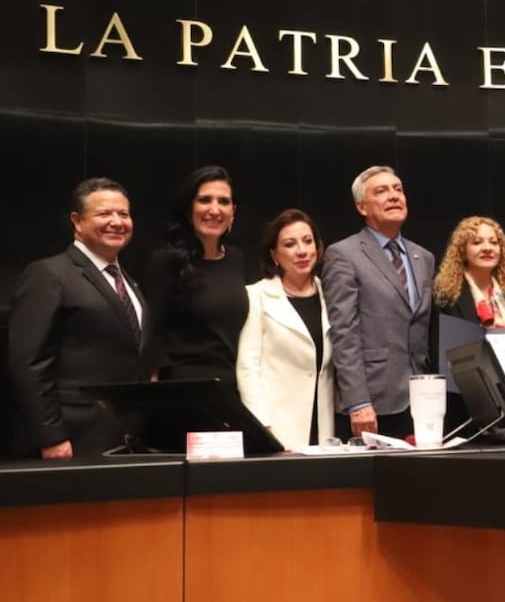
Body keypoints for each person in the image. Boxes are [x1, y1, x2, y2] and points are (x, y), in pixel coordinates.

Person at [8, 178, 150, 458]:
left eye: (123, 214)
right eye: (104, 213)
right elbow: (29, 363)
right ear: (77, 221)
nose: (116, 221)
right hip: (73, 437)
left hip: (123, 436)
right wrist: (51, 437)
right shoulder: (49, 273)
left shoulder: (130, 282)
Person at [322, 165, 435, 440]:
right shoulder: (344, 254)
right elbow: (343, 332)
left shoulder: (424, 257)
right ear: (362, 207)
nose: (394, 196)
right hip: (372, 402)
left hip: (422, 401)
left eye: (398, 189)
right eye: (381, 191)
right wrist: (357, 401)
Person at [237, 209, 334, 451]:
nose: (301, 251)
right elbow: (247, 368)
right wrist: (263, 427)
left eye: (307, 241)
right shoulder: (258, 295)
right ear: (275, 255)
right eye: (290, 244)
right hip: (278, 427)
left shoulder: (331, 294)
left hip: (324, 428)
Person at [144, 166, 248, 387]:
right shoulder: (166, 261)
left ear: (233, 211)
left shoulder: (236, 259)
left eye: (223, 201)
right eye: (205, 200)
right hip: (183, 389)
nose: (214, 209)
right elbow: (151, 334)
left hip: (230, 386)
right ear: (189, 209)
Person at [433, 216, 505, 435]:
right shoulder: (447, 297)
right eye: (477, 242)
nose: (487, 248)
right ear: (462, 250)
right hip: (464, 412)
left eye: (494, 242)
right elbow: (443, 358)